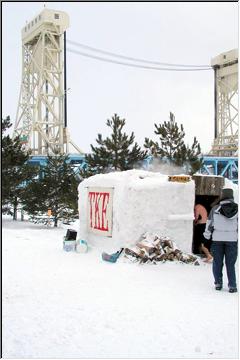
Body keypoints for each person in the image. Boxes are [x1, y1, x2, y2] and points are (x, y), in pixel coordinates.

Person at [203, 188, 238, 292]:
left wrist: (206, 236)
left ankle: (218, 283)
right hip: (232, 240)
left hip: (217, 239)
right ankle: (232, 286)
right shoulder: (237, 209)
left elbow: (209, 224)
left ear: (222, 196)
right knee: (230, 263)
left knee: (217, 262)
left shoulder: (215, 209)